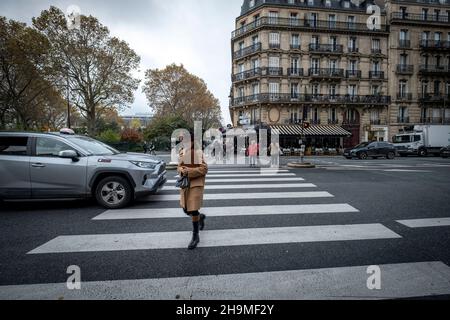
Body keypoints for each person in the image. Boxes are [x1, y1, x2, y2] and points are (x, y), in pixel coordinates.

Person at [178, 137, 208, 250]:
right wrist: (181, 170)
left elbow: (204, 168)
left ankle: (195, 236)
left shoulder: (198, 152)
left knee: (193, 209)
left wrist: (189, 171)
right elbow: (179, 166)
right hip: (185, 184)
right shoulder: (182, 151)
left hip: (196, 184)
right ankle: (200, 217)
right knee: (186, 209)